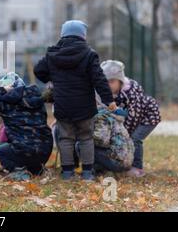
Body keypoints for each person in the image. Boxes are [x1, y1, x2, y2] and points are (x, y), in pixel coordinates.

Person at [34, 20, 116, 181]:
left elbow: (38, 71)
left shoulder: (53, 54)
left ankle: (67, 173)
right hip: (85, 106)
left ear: (63, 34)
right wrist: (109, 100)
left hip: (63, 105)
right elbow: (99, 79)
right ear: (82, 35)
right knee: (86, 138)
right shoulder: (89, 54)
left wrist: (53, 77)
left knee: (65, 138)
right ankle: (87, 173)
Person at [0, 73, 53, 180]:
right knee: (29, 150)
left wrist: (0, 89)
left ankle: (19, 172)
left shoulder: (7, 106)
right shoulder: (38, 101)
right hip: (44, 151)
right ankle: (37, 170)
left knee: (1, 151)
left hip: (23, 152)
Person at [100, 60, 161, 177]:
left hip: (148, 117)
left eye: (111, 81)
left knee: (135, 139)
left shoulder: (131, 94)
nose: (108, 85)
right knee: (129, 139)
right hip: (134, 116)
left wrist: (124, 135)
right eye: (105, 81)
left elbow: (133, 117)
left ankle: (137, 168)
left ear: (120, 81)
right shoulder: (114, 93)